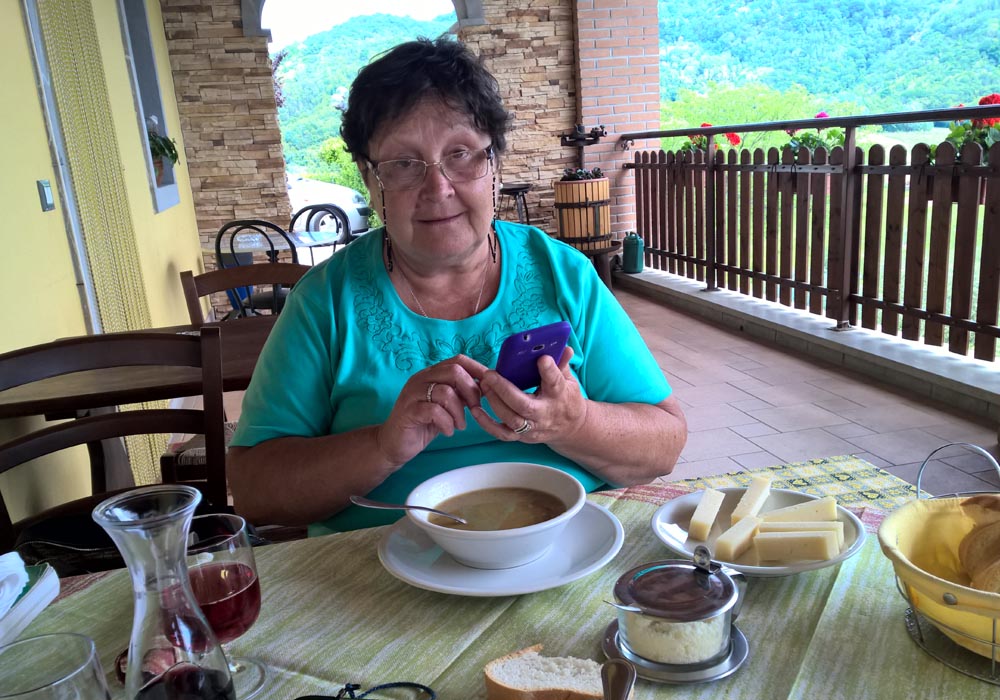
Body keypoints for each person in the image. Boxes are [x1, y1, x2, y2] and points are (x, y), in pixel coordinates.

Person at [228, 37, 687, 534]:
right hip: (384, 566)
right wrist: (382, 446)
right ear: (369, 178)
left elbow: (664, 443)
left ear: (494, 165)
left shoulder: (564, 274)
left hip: (562, 550)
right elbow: (255, 491)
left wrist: (575, 424)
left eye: (462, 154)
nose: (438, 187)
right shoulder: (325, 301)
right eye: (404, 164)